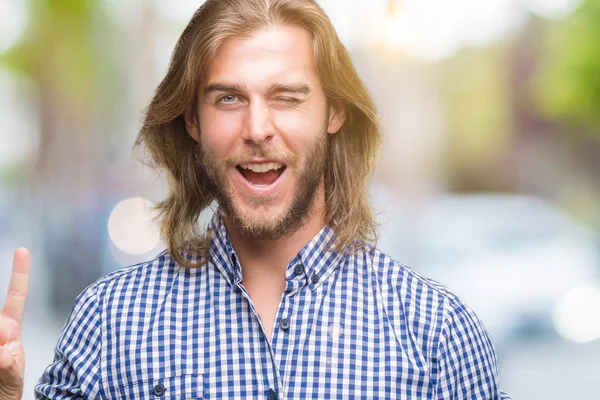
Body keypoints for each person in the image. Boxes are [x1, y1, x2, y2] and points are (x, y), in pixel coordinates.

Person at [0, 0, 511, 398]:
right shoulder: (109, 323)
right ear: (192, 121)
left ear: (334, 115)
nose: (258, 129)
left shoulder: (438, 333)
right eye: (229, 98)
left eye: (287, 97)